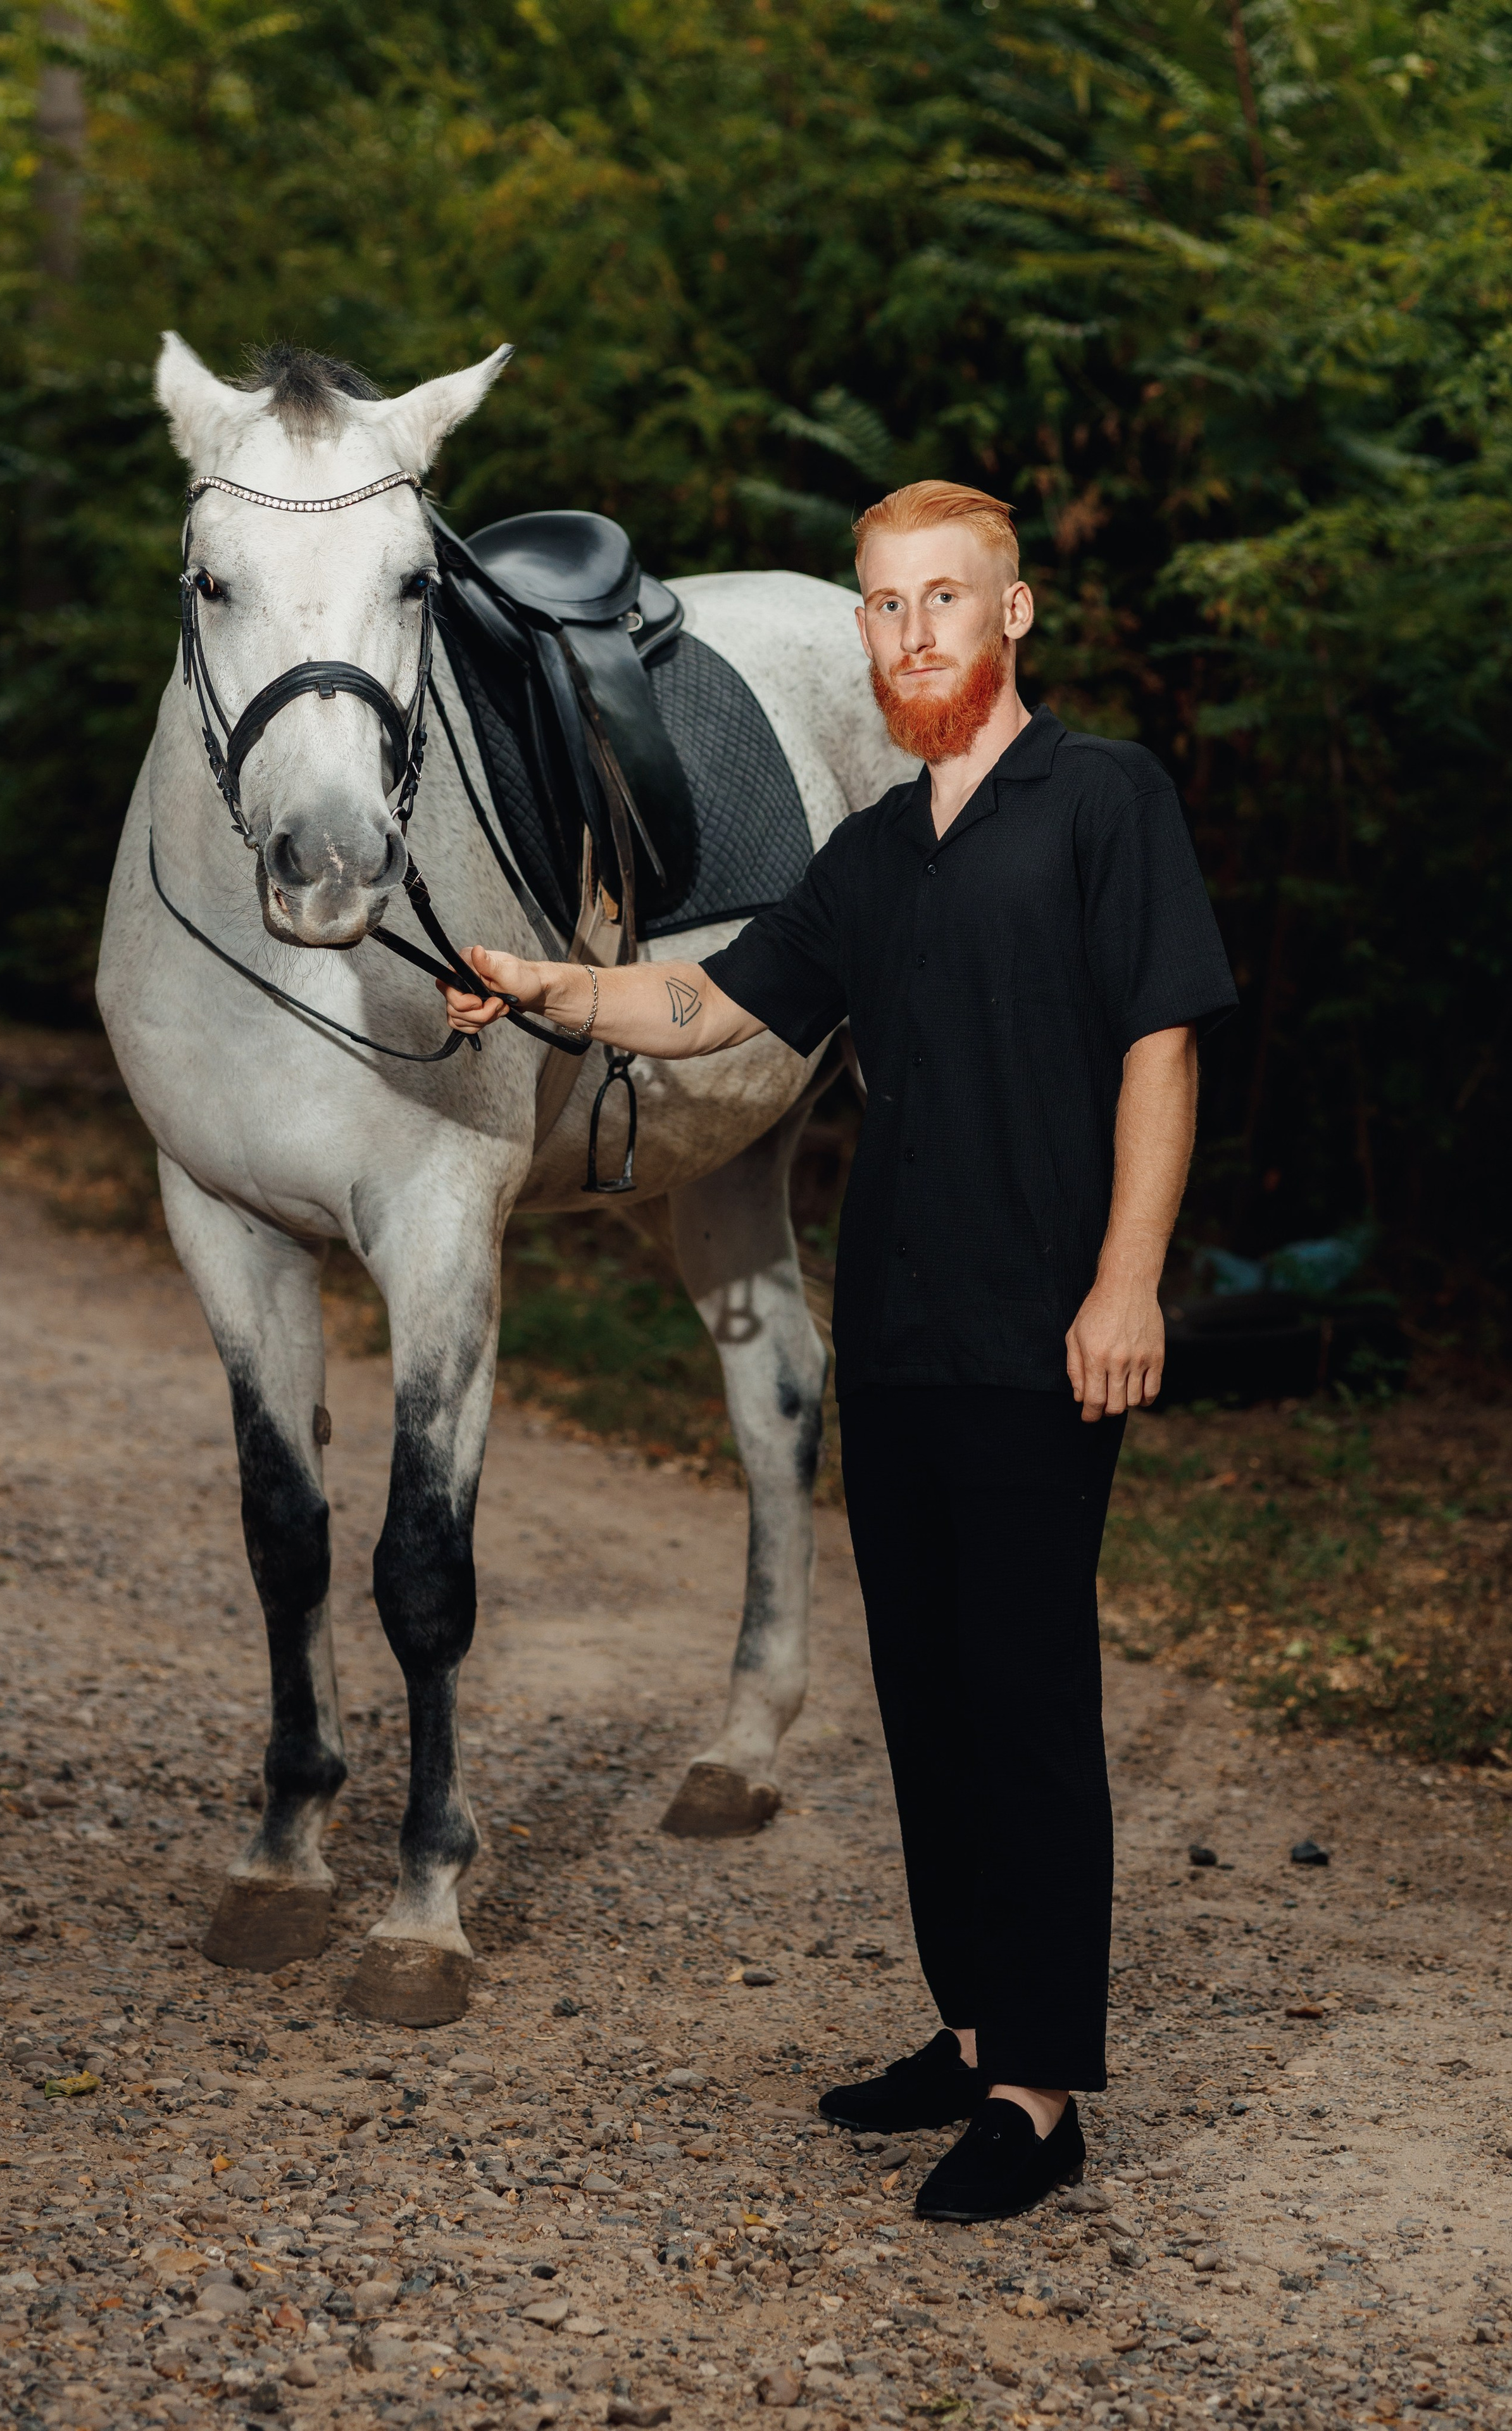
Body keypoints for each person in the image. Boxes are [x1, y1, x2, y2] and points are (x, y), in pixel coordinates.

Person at [440, 479, 1238, 2221]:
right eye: (885, 606)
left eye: (946, 600)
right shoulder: (868, 857)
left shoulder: (1106, 800)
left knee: (1026, 1703)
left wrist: (1129, 1282)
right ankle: (967, 2036)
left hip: (1047, 1331)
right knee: (930, 1706)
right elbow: (706, 1004)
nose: (912, 634)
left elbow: (1161, 1049)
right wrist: (537, 983)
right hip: (895, 1334)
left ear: (1011, 616)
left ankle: (1038, 2093)